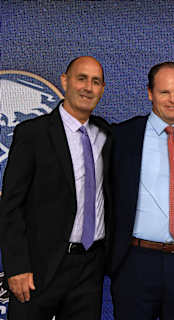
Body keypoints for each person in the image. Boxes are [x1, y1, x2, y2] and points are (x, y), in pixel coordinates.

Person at [0, 56, 110, 319]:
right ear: (65, 81)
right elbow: (11, 205)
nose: (88, 87)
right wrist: (16, 267)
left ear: (102, 90)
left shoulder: (106, 134)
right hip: (39, 268)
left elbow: (150, 131)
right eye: (81, 78)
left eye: (96, 82)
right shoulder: (32, 134)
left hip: (89, 269)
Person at [109, 62, 174, 320]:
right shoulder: (123, 135)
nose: (172, 99)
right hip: (136, 262)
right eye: (164, 92)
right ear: (149, 93)